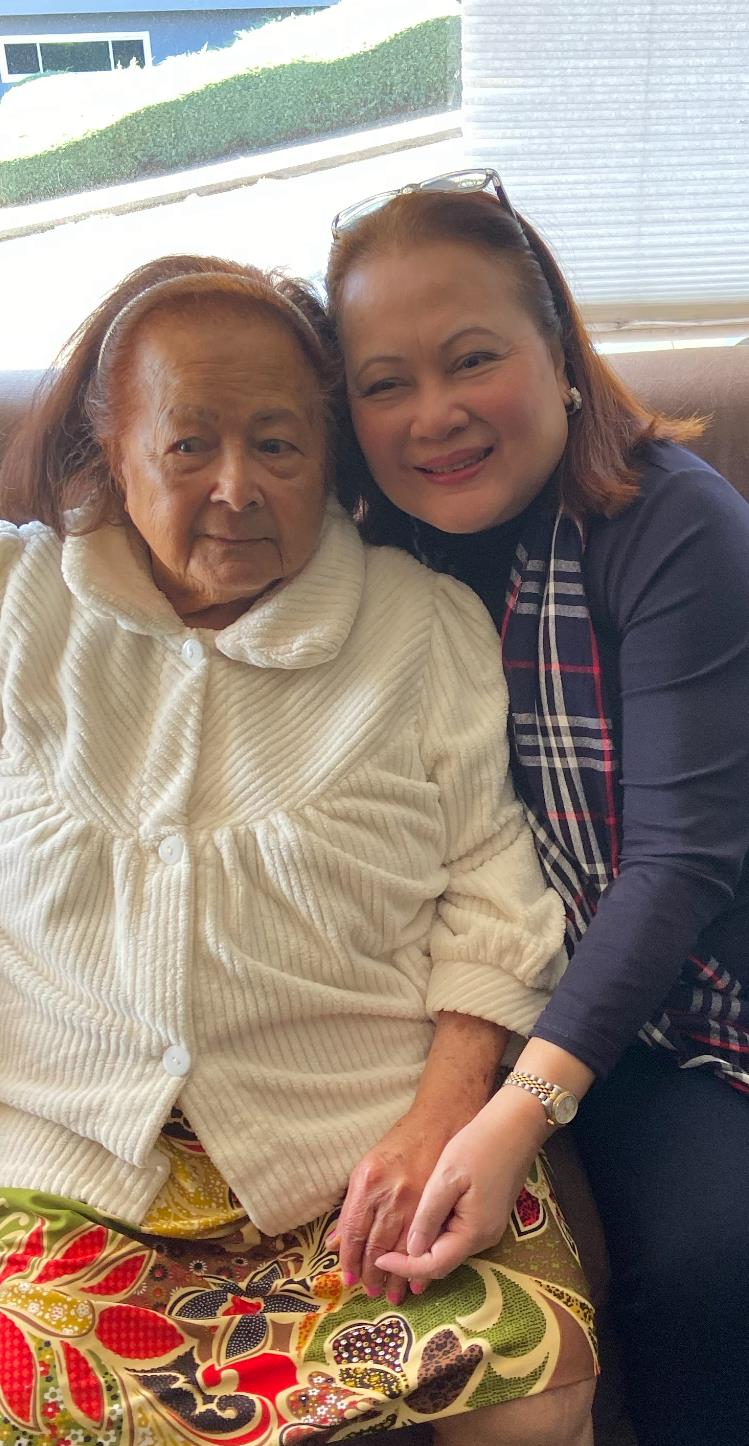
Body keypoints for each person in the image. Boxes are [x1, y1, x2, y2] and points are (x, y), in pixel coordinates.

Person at [0, 253, 597, 1446]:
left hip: (370, 1141)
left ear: (330, 458)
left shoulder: (417, 627)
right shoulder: (22, 612)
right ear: (110, 456)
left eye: (277, 444)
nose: (235, 488)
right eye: (188, 447)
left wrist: (443, 1111)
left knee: (532, 1386)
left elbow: (494, 901)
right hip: (72, 1157)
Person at [325, 170, 749, 1446]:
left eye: (471, 360)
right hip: (466, 977)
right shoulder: (365, 554)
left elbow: (677, 862)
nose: (434, 416)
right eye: (384, 382)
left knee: (700, 1258)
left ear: (558, 353)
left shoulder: (676, 525)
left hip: (680, 993)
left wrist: (516, 1107)